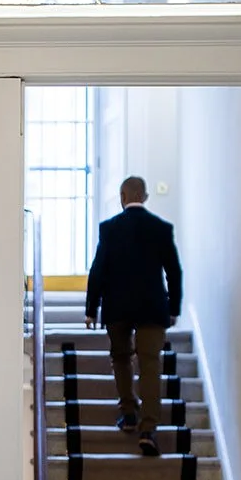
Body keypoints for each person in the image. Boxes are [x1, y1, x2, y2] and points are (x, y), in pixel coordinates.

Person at [85, 175, 183, 454]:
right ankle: (149, 429)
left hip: (118, 307)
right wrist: (173, 307)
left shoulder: (109, 229)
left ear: (122, 197)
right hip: (152, 306)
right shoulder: (161, 228)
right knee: (150, 363)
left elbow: (98, 270)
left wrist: (91, 309)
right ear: (146, 197)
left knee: (121, 357)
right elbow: (174, 271)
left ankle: (128, 412)